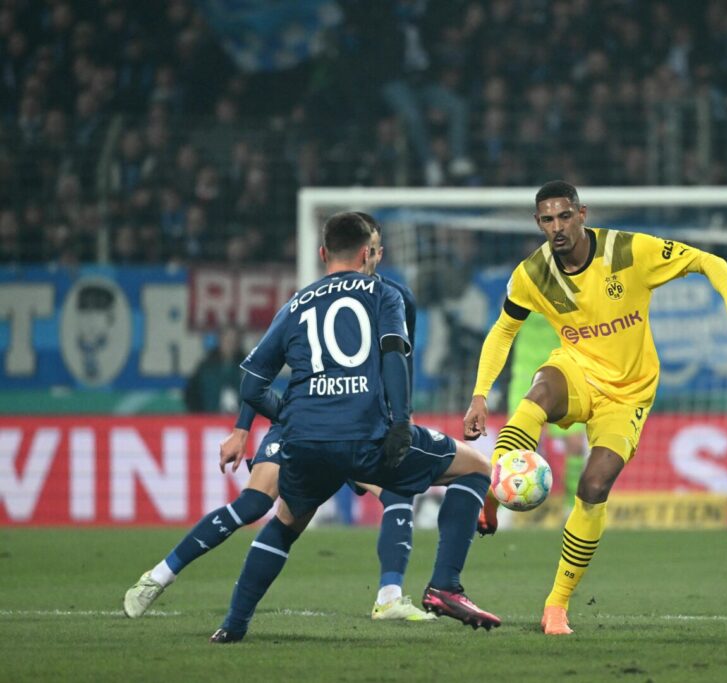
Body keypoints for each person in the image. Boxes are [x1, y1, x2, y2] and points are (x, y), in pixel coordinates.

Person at [463, 180, 727, 635]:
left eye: (565, 216)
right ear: (538, 223)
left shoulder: (628, 251)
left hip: (629, 392)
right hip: (577, 370)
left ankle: (556, 605)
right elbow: (504, 331)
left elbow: (707, 260)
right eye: (547, 219)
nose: (557, 227)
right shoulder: (532, 273)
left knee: (595, 485)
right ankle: (497, 485)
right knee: (540, 390)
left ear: (583, 214)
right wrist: (480, 394)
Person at [124, 215, 435, 622]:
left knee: (396, 494)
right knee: (254, 502)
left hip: (359, 422)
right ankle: (159, 576)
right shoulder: (320, 300)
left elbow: (393, 364)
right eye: (371, 248)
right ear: (362, 251)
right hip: (306, 422)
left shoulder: (389, 298)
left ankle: (390, 595)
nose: (375, 256)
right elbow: (262, 374)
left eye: (379, 249)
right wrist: (243, 428)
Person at [210, 212, 498, 642]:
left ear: (323, 252)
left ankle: (233, 625)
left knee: (285, 522)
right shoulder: (386, 294)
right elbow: (394, 356)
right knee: (475, 466)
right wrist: (402, 421)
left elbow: (252, 384)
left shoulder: (296, 303)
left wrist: (288, 413)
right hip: (368, 435)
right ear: (369, 254)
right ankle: (444, 586)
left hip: (305, 440)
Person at [509, 313, 588, 514]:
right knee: (516, 444)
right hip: (525, 371)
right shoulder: (523, 288)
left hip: (562, 369)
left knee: (576, 444)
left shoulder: (572, 290)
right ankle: (506, 504)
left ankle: (572, 506)